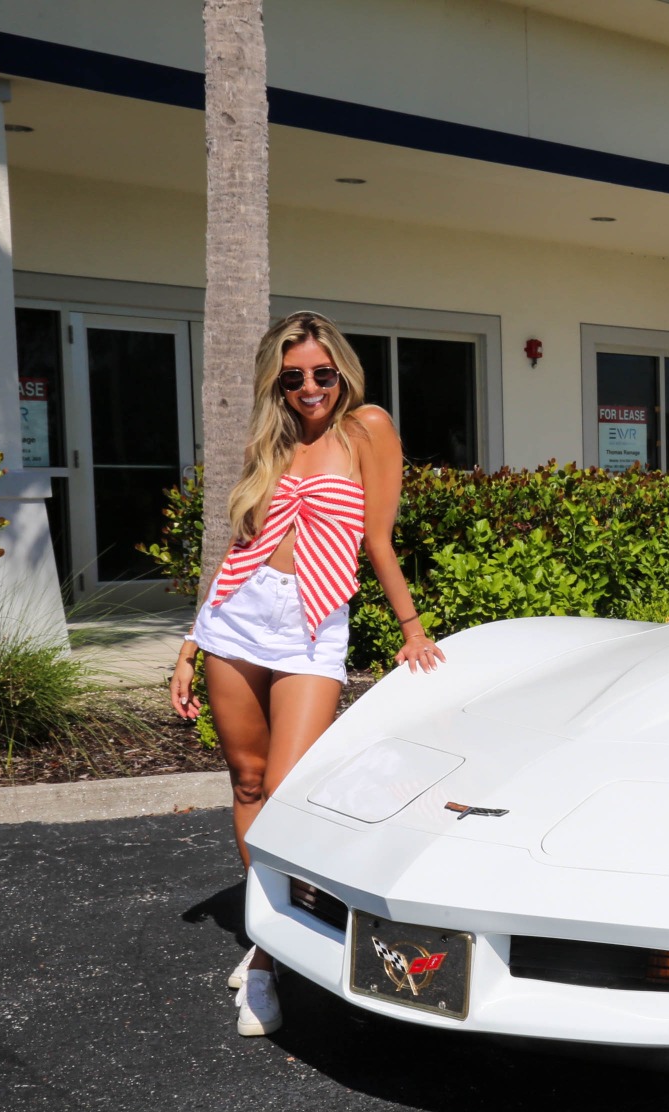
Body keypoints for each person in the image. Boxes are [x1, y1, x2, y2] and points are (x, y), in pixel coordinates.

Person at [169, 311, 445, 1036]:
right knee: (250, 782)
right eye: (294, 378)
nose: (311, 387)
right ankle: (269, 926)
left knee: (291, 792)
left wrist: (412, 630)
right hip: (237, 618)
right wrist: (192, 645)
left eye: (322, 374)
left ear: (343, 372)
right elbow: (238, 545)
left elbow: (378, 539)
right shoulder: (274, 440)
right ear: (278, 383)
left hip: (311, 630)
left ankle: (265, 957)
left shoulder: (368, 430)